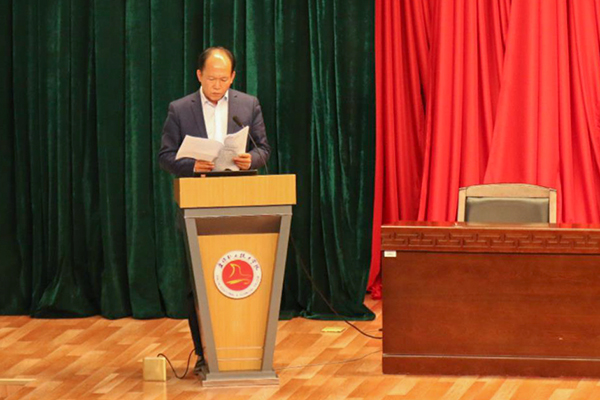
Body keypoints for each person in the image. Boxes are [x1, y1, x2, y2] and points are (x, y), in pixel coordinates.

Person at [158, 46, 271, 373]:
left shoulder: (248, 105)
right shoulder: (180, 109)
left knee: (241, 275)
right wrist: (193, 165)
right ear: (199, 75)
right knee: (199, 282)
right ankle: (204, 353)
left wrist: (252, 159)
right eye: (211, 79)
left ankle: (243, 349)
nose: (217, 85)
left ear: (233, 77)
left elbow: (263, 149)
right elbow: (165, 156)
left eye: (223, 79)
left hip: (240, 203)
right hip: (198, 202)